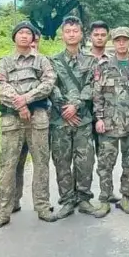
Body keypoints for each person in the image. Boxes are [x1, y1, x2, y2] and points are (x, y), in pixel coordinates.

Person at [0, 21, 56, 228]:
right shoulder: (5, 62)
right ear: (14, 37)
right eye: (20, 33)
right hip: (12, 119)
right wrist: (20, 105)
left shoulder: (42, 61)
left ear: (33, 38)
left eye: (28, 33)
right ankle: (5, 209)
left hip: (38, 117)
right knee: (10, 164)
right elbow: (1, 87)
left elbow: (48, 84)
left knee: (41, 163)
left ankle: (42, 205)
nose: (24, 36)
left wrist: (26, 99)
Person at [50, 17, 109, 218]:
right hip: (60, 120)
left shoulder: (91, 61)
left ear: (81, 34)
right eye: (68, 31)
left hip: (83, 119)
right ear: (62, 34)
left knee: (85, 161)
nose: (72, 34)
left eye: (75, 31)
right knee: (62, 161)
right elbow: (52, 86)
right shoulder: (53, 61)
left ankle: (84, 198)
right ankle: (67, 200)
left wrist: (75, 106)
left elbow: (93, 86)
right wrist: (64, 109)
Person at [94, 27, 129, 214]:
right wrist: (99, 118)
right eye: (117, 40)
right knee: (105, 163)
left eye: (124, 40)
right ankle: (104, 198)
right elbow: (98, 95)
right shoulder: (104, 66)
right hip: (109, 124)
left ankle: (126, 196)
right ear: (113, 42)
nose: (121, 43)